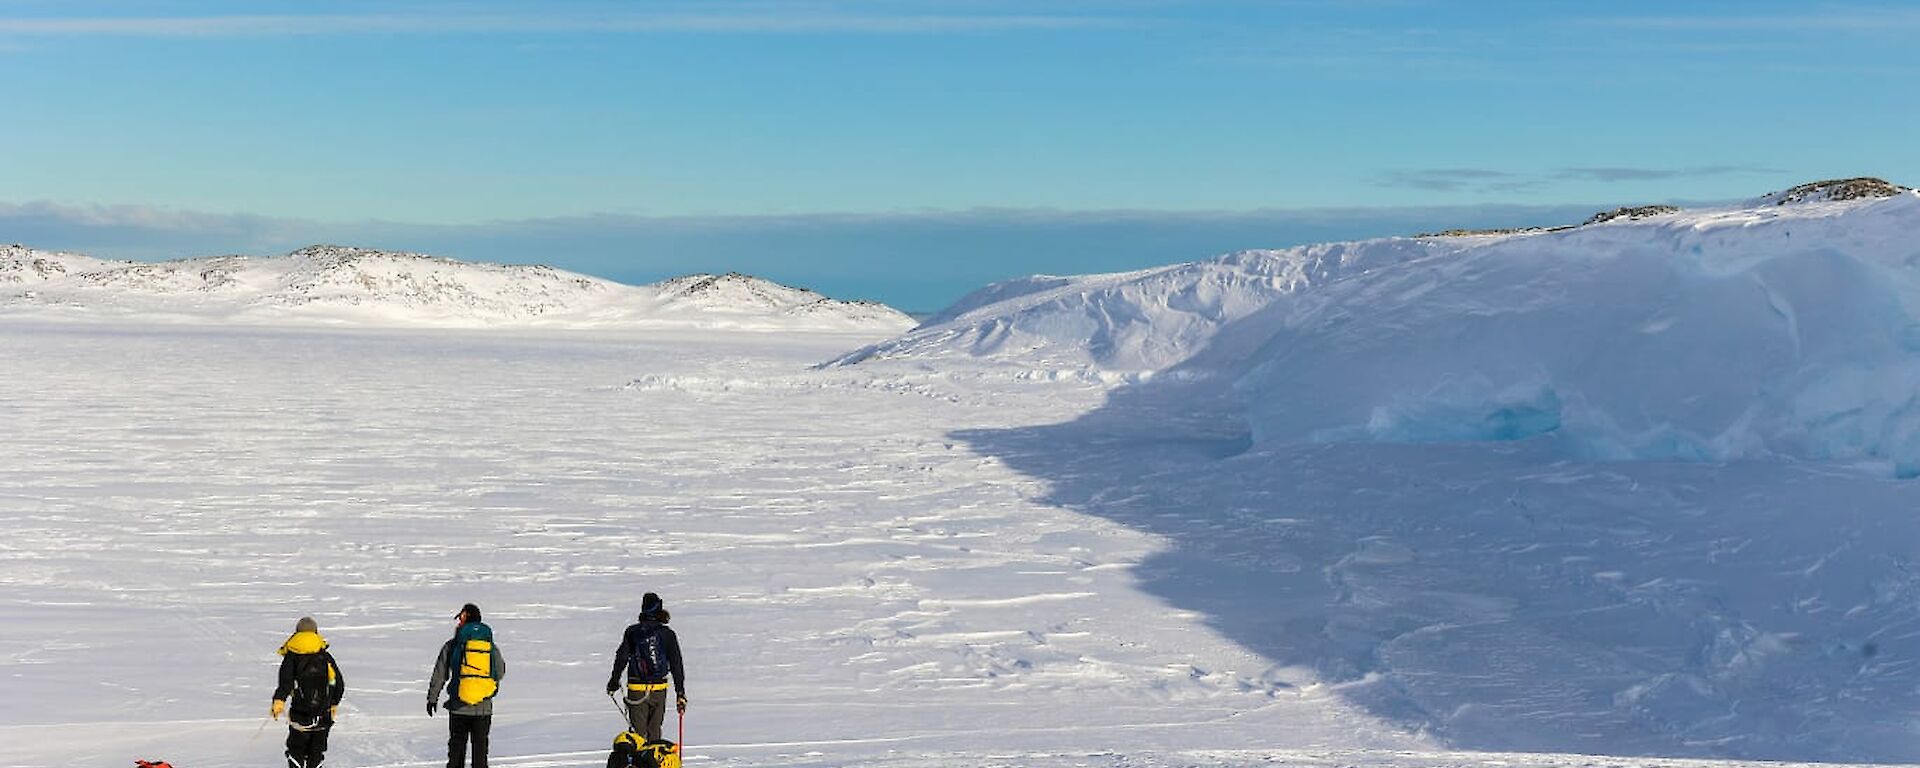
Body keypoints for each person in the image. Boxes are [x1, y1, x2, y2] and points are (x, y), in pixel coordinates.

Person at [429, 603, 506, 768]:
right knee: (480, 755)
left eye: (460, 618)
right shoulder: (490, 647)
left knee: (456, 753)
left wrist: (432, 698)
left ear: (465, 620)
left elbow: (440, 673)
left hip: (458, 707)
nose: (458, 623)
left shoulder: (452, 645)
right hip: (483, 708)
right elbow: (500, 672)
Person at [605, 592, 686, 742]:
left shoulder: (632, 632)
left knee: (638, 737)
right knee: (654, 733)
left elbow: (622, 658)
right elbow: (676, 663)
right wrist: (680, 692)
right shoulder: (667, 634)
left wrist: (614, 681)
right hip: (659, 689)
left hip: (636, 690)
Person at [271, 616, 345, 768]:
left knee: (296, 749)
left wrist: (279, 701)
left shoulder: (292, 657)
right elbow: (338, 683)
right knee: (316, 751)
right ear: (316, 632)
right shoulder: (325, 656)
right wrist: (334, 703)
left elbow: (286, 682)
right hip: (324, 714)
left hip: (300, 713)